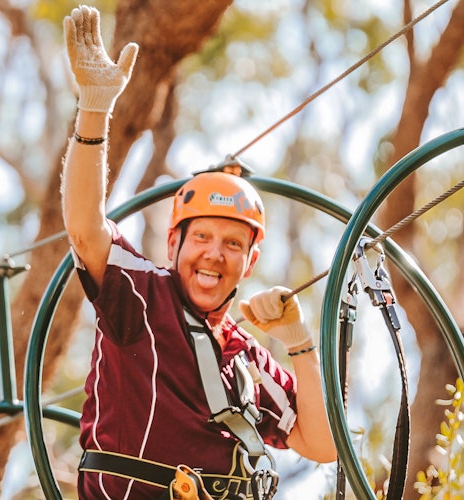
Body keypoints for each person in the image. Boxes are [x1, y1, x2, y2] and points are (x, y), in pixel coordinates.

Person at [61, 5, 336, 499]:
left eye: (233, 244)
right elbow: (84, 227)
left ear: (249, 262)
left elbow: (322, 444)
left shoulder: (247, 359)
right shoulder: (140, 294)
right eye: (202, 238)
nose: (214, 255)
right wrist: (95, 108)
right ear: (174, 244)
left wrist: (299, 343)